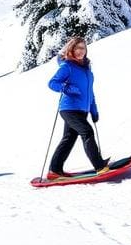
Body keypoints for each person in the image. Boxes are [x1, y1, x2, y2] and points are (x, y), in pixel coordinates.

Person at [46, 36, 108, 178]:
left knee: (69, 138)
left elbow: (90, 92)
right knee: (87, 132)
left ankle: (54, 170)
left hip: (82, 110)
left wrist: (94, 110)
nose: (81, 51)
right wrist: (66, 88)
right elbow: (52, 83)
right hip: (69, 108)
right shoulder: (67, 66)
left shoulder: (87, 70)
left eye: (83, 48)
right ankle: (100, 166)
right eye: (77, 48)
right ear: (71, 49)